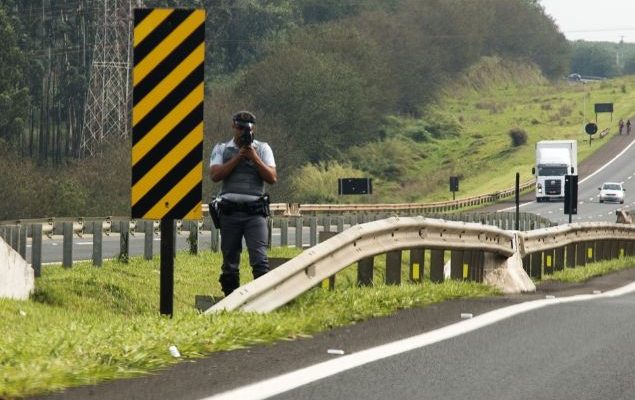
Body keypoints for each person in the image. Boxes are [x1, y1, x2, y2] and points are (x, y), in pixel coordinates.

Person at [209, 111, 277, 297]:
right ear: (233, 126)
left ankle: (262, 301)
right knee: (230, 263)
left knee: (260, 260)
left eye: (246, 129)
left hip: (255, 213)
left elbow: (271, 177)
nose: (243, 132)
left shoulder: (262, 149)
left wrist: (254, 158)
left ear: (253, 129)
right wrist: (238, 157)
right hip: (229, 212)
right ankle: (231, 300)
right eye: (239, 128)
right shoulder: (221, 149)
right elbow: (215, 175)